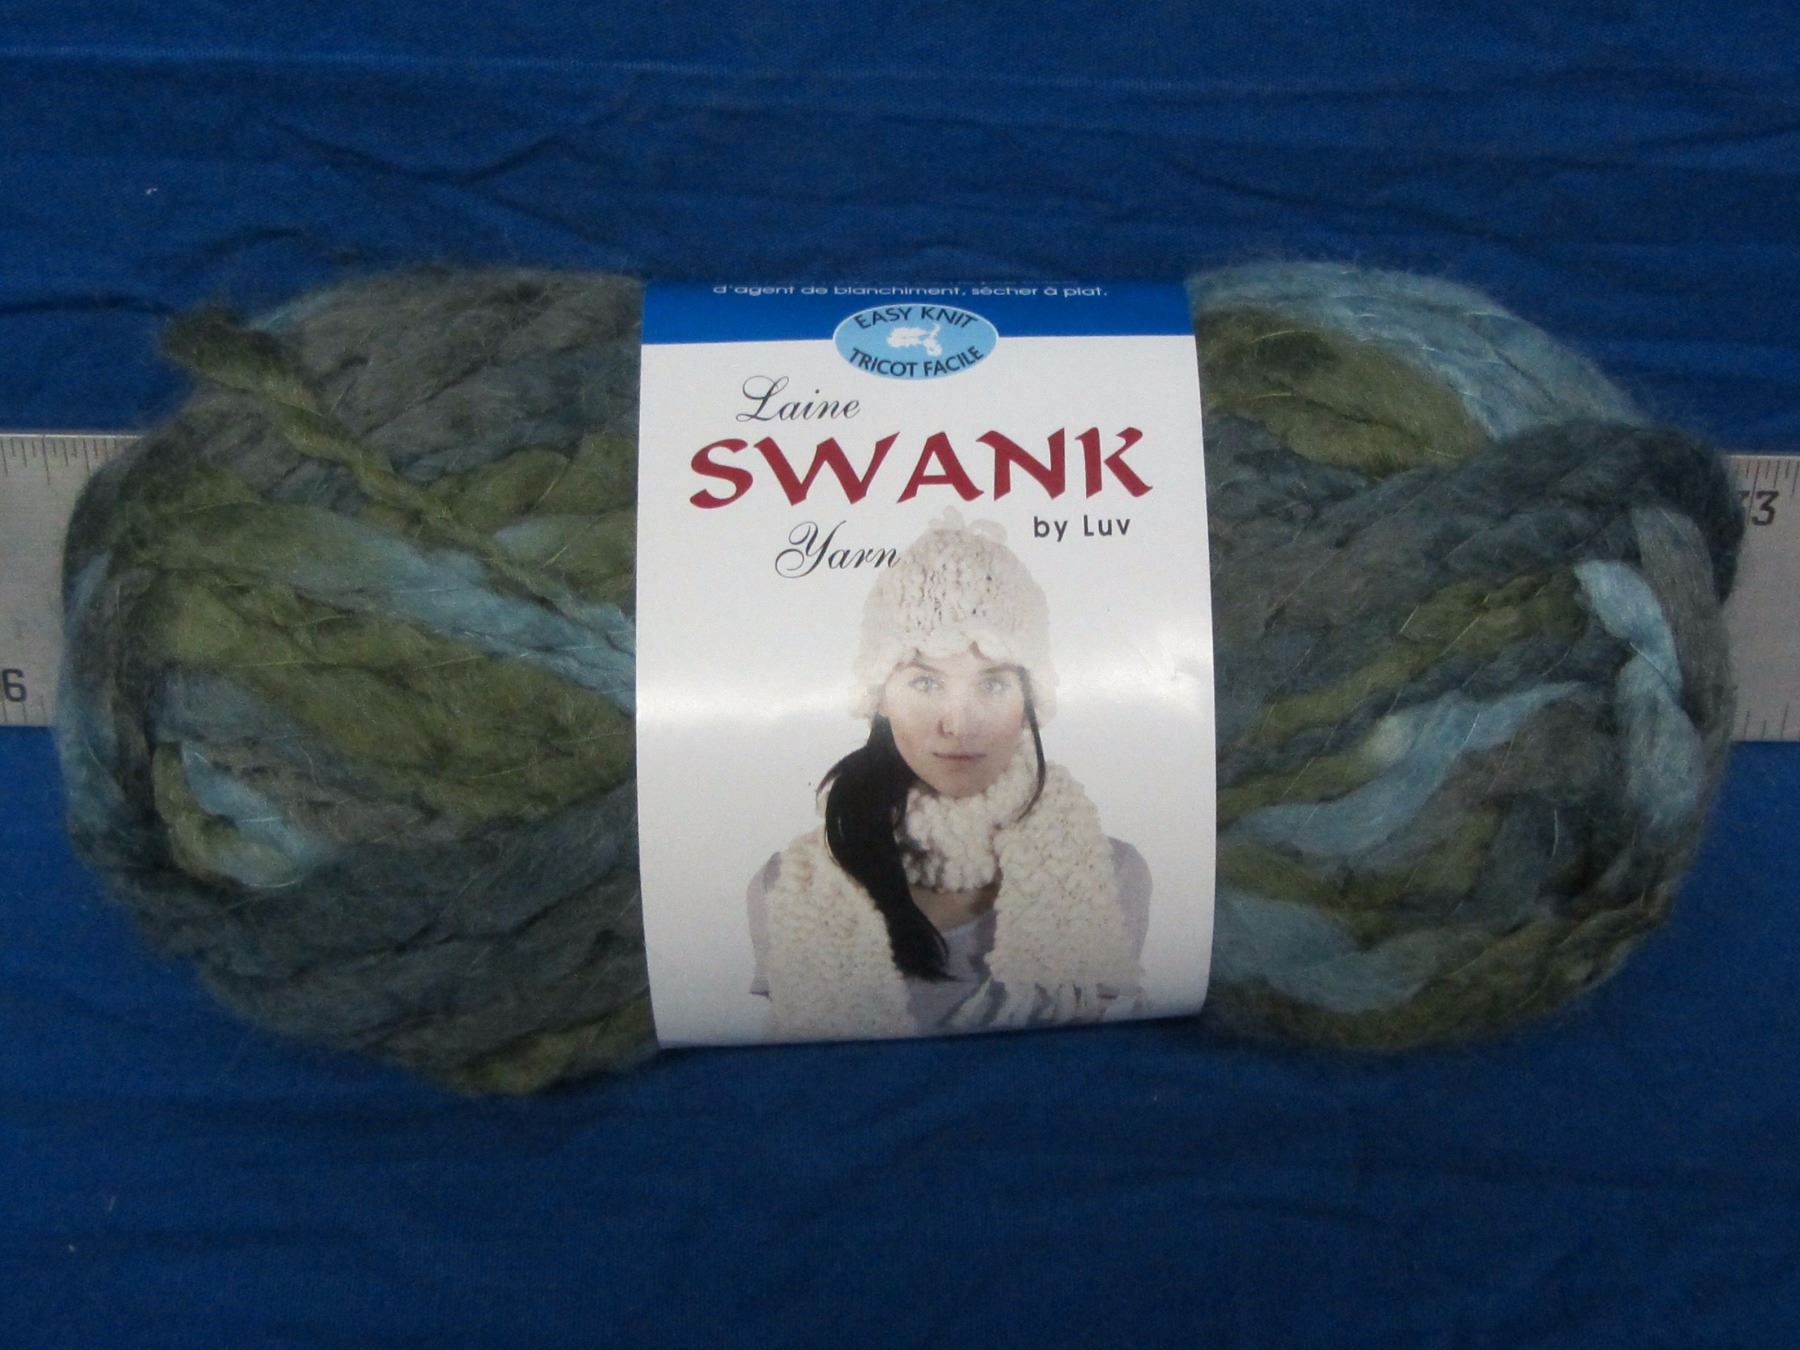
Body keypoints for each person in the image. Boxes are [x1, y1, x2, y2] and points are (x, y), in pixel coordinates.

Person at [747, 508, 1150, 1040]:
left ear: (1029, 699)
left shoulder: (1112, 877)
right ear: (881, 699)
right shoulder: (785, 888)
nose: (958, 724)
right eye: (926, 683)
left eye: (993, 684)